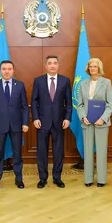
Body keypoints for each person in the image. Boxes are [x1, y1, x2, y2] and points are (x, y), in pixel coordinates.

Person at [31, 55, 72, 189]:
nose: (52, 65)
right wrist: (35, 118)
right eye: (50, 63)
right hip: (42, 122)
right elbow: (34, 101)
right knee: (42, 152)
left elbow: (69, 103)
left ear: (58, 65)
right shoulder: (38, 81)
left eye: (55, 63)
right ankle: (43, 178)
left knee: (58, 152)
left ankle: (57, 177)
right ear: (46, 66)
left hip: (59, 122)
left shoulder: (65, 81)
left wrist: (67, 118)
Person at [0, 60, 29, 189]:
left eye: (9, 69)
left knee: (17, 154)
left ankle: (19, 179)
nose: (6, 71)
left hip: (16, 125)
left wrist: (25, 123)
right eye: (4, 69)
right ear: (0, 71)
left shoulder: (20, 85)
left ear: (13, 71)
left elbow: (24, 106)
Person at [76, 58, 112, 187]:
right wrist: (83, 117)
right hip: (87, 122)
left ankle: (101, 180)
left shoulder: (106, 83)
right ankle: (88, 179)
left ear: (99, 68)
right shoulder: (83, 84)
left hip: (102, 123)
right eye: (90, 66)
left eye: (95, 66)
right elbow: (80, 104)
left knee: (101, 151)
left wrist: (102, 118)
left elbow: (110, 104)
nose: (92, 69)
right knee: (88, 151)